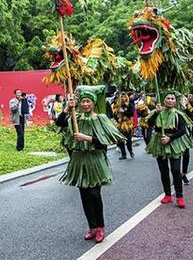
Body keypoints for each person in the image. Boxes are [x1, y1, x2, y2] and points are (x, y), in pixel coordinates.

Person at [56, 86, 124, 244]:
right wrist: (67, 108)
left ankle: (100, 227)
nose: (85, 104)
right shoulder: (75, 117)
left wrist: (86, 138)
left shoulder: (100, 118)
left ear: (93, 103)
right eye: (83, 102)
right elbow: (60, 123)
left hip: (95, 160)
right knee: (84, 195)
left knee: (94, 194)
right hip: (79, 161)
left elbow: (105, 143)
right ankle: (92, 227)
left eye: (88, 101)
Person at [146, 92, 192, 208]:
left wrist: (170, 138)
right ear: (164, 100)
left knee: (176, 170)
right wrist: (156, 112)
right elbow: (149, 124)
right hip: (159, 143)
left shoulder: (178, 114)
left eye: (172, 99)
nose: (170, 100)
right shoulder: (157, 112)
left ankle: (180, 196)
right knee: (163, 170)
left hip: (174, 143)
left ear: (175, 102)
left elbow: (182, 130)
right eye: (168, 98)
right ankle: (167, 194)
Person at [111, 92, 135, 159]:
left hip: (127, 124)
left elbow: (132, 113)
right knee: (120, 140)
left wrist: (123, 112)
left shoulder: (129, 104)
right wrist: (117, 119)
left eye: (124, 97)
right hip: (119, 125)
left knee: (129, 140)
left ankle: (130, 151)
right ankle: (123, 155)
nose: (123, 98)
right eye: (121, 97)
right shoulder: (116, 105)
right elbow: (114, 114)